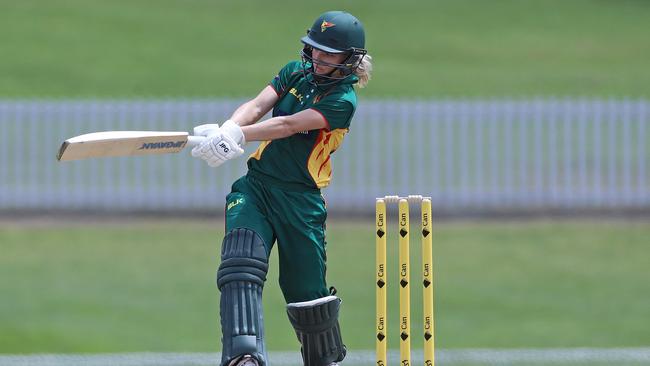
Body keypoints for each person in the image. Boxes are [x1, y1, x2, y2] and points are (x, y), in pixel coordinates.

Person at [191, 10, 372, 366]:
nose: (317, 58)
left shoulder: (343, 101)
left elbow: (289, 125)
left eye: (328, 54)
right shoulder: (294, 72)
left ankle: (324, 360)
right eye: (314, 49)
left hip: (300, 200)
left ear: (349, 59)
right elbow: (259, 105)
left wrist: (238, 136)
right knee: (240, 263)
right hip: (257, 187)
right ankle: (244, 357)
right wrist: (229, 127)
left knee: (307, 296)